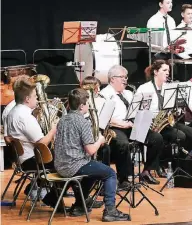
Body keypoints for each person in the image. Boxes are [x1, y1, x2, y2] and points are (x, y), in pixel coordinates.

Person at [53, 88, 130, 221]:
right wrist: (100, 140)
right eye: (87, 103)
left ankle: (79, 206)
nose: (89, 105)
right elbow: (90, 150)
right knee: (110, 174)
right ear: (82, 106)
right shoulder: (83, 122)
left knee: (94, 170)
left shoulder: (62, 120)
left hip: (60, 165)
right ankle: (110, 211)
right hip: (74, 166)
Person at [100, 65, 164, 187]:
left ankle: (146, 171)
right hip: (115, 127)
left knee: (156, 138)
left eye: (126, 77)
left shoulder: (129, 93)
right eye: (122, 77)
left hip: (131, 125)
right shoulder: (105, 94)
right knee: (123, 144)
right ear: (112, 79)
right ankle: (124, 179)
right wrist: (122, 124)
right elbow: (104, 118)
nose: (125, 80)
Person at [136, 60, 192, 177]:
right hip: (151, 124)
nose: (167, 73)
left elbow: (171, 108)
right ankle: (159, 164)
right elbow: (141, 111)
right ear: (155, 72)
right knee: (176, 136)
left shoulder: (169, 88)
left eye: (168, 71)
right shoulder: (144, 88)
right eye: (164, 70)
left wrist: (178, 109)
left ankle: (174, 162)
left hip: (166, 123)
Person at [5, 75, 59, 208]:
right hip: (32, 160)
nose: (37, 98)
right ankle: (52, 198)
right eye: (35, 96)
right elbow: (42, 144)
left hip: (23, 158)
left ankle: (40, 189)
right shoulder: (25, 116)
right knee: (69, 161)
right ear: (27, 99)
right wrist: (54, 129)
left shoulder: (12, 111)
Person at [81, 76, 111, 167]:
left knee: (106, 148)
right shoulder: (82, 102)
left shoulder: (103, 99)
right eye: (95, 87)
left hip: (98, 131)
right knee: (104, 149)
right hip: (86, 134)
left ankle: (104, 173)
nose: (98, 90)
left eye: (99, 87)